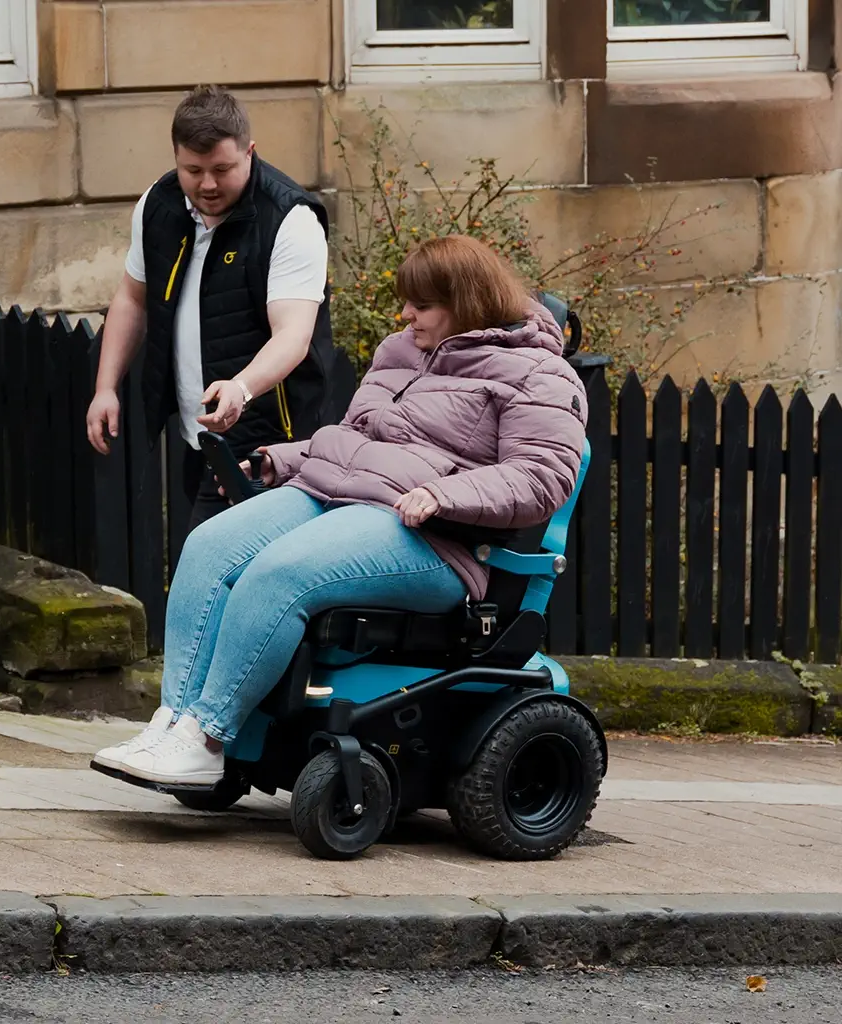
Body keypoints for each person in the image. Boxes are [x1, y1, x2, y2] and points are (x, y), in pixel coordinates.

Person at [92, 235, 588, 787]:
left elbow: (543, 476)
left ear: (466, 301)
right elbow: (354, 440)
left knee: (280, 574)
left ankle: (207, 736)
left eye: (420, 305)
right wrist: (276, 461)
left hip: (435, 537)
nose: (405, 315)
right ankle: (172, 726)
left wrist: (446, 495)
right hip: (333, 496)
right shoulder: (400, 352)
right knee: (208, 546)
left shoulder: (538, 376)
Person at [85, 85, 335, 527]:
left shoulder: (290, 218)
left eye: (222, 169)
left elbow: (294, 336)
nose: (208, 184)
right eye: (193, 169)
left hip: (268, 447)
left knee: (216, 581)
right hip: (193, 437)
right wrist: (106, 386)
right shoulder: (158, 205)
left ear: (250, 152)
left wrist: (239, 388)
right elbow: (131, 297)